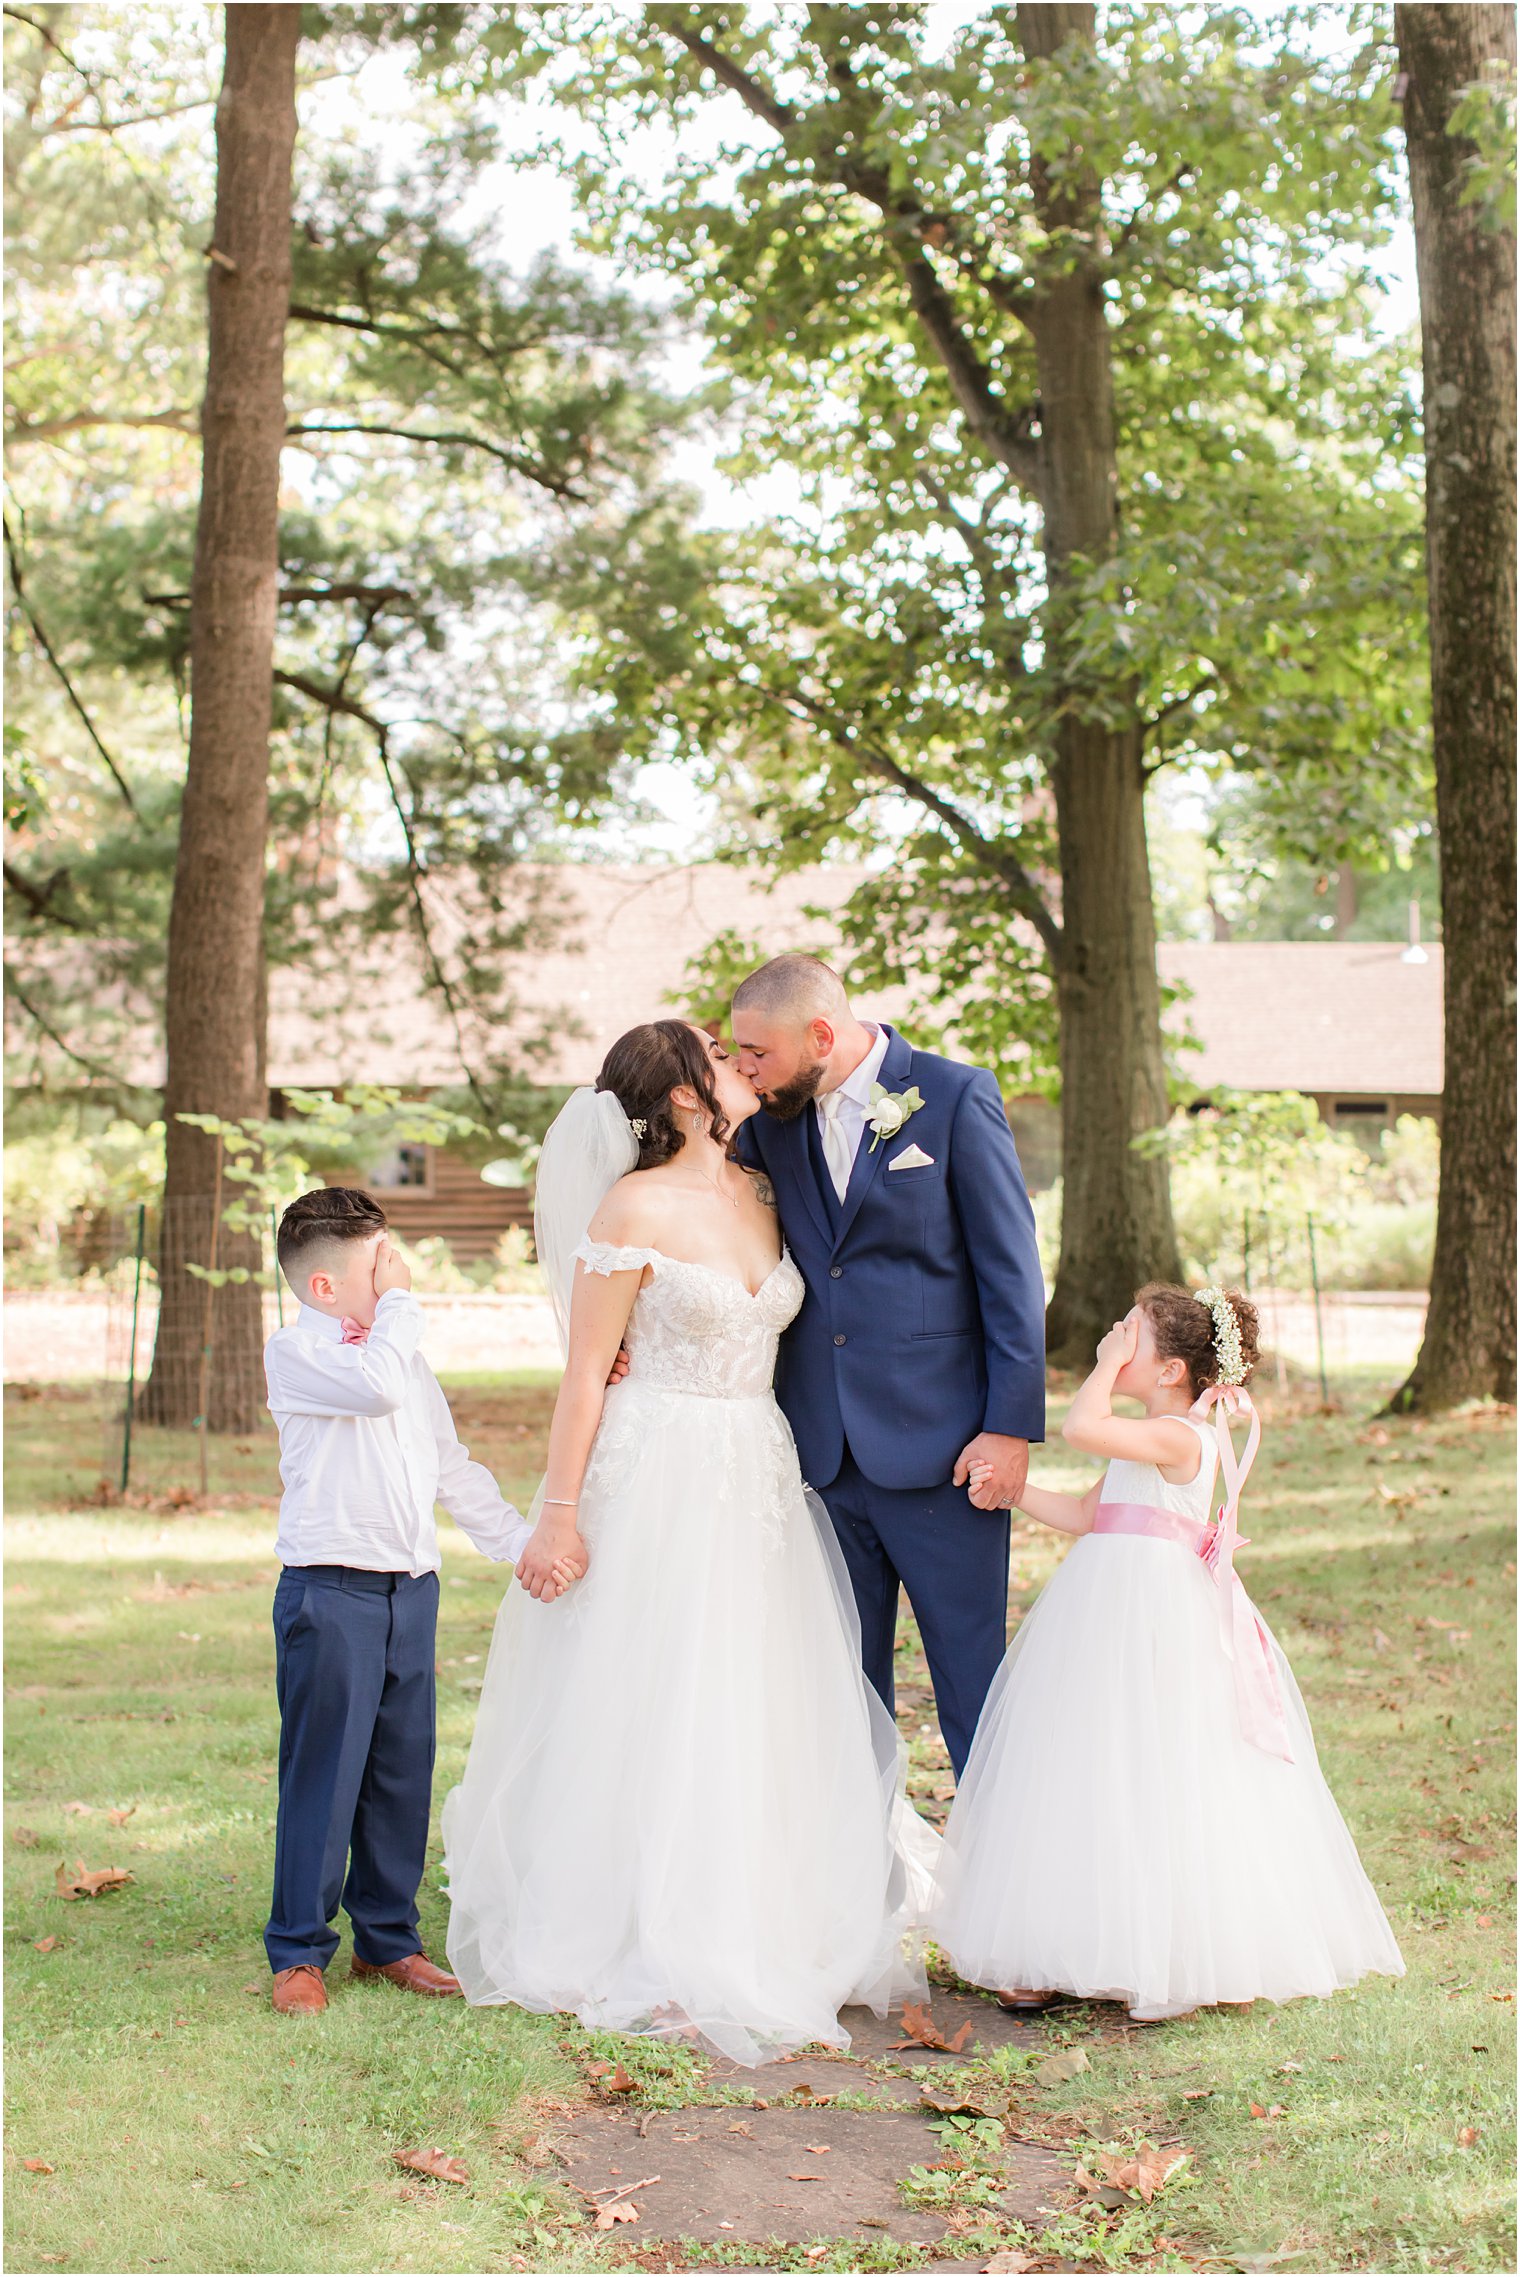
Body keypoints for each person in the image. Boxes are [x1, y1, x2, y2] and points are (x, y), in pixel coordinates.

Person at [442, 1022, 930, 2066]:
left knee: (754, 1689)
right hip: (655, 1463)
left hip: (753, 1462)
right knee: (656, 1689)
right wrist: (559, 1513)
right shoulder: (631, 1207)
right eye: (719, 1060)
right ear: (677, 1097)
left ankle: (764, 1913)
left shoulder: (762, 1186)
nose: (740, 1070)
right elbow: (584, 1374)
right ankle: (651, 1937)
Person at [931, 1284, 1406, 2020]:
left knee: (1159, 1767)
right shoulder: (1149, 1434)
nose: (1114, 1337)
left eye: (1130, 1333)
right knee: (1092, 1765)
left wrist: (1101, 1361)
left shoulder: (1184, 1436)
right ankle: (1065, 1938)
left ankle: (1174, 1946)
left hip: (1154, 1621)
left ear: (1170, 1372)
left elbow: (1084, 1424)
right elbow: (1091, 1513)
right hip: (1100, 1613)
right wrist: (1013, 1492)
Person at [262, 1187, 575, 2018]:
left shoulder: (400, 1359)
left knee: (401, 1768)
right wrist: (400, 1306)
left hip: (411, 1588)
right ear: (326, 1286)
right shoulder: (299, 1352)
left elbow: (450, 1466)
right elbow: (373, 1387)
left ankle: (388, 1938)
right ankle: (297, 1949)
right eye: (380, 1263)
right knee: (324, 1771)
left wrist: (520, 1545)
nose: (399, 1273)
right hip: (330, 1590)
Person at [729, 956, 1046, 1776]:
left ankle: (998, 1882)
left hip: (947, 1454)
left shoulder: (953, 1097)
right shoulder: (769, 1123)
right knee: (839, 1688)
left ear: (822, 1035)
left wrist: (1009, 1428)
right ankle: (859, 1881)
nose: (744, 1070)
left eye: (756, 1053)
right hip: (821, 1456)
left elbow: (1010, 1275)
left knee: (972, 1684)